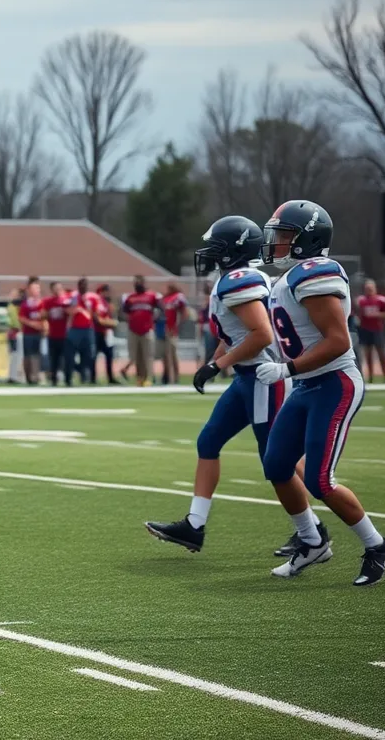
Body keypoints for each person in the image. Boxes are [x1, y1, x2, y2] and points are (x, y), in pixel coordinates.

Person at [146, 216, 306, 555]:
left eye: (216, 246)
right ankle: (195, 525)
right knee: (209, 440)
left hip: (264, 379)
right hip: (246, 379)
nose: (208, 252)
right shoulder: (235, 279)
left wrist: (219, 363)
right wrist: (214, 361)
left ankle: (311, 530)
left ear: (233, 250)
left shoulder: (238, 280)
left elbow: (261, 335)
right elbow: (235, 333)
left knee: (277, 460)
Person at [257, 200, 385, 586]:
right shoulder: (289, 278)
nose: (276, 242)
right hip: (307, 385)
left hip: (334, 383)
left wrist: (285, 368)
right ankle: (312, 540)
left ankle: (378, 546)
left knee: (320, 480)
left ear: (307, 239)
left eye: (284, 235)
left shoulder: (314, 275)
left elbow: (337, 341)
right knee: (276, 464)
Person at [122, 276, 161, 386]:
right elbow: (125, 312)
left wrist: (154, 320)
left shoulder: (152, 296)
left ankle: (149, 377)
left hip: (147, 330)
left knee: (148, 355)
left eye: (140, 283)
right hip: (133, 330)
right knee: (136, 356)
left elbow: (160, 309)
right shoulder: (130, 298)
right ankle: (140, 378)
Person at [64, 277, 100, 385]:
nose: (83, 287)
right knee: (70, 355)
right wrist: (74, 309)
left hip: (88, 329)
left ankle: (85, 377)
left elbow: (95, 313)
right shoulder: (73, 296)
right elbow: (66, 309)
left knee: (88, 354)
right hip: (74, 329)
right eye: (81, 285)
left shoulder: (92, 298)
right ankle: (68, 378)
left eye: (85, 285)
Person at [354, 279, 385, 382]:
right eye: (367, 289)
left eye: (370, 288)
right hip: (365, 329)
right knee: (368, 354)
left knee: (381, 353)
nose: (368, 290)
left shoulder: (381, 300)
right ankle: (370, 376)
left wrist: (376, 314)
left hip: (377, 329)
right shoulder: (361, 300)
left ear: (375, 289)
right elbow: (357, 312)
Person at [161, 281, 192, 384]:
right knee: (165, 355)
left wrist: (178, 324)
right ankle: (166, 377)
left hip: (172, 330)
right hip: (162, 329)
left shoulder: (178, 297)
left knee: (172, 355)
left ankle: (174, 378)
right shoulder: (164, 299)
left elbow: (185, 312)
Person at [18, 277, 46, 385]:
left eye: (37, 288)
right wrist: (32, 324)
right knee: (28, 355)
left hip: (38, 334)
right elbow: (21, 318)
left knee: (37, 355)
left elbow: (44, 316)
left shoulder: (41, 303)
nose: (36, 291)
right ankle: (29, 377)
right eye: (34, 288)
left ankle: (36, 376)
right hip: (28, 333)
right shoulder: (26, 304)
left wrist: (43, 326)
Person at [42, 281, 69, 385]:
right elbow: (43, 315)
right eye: (55, 288)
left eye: (59, 288)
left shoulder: (66, 301)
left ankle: (67, 378)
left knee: (66, 358)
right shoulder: (48, 302)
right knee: (54, 358)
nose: (58, 291)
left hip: (65, 334)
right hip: (53, 333)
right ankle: (53, 379)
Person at [93, 284, 118, 384]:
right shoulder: (98, 302)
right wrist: (111, 323)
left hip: (106, 333)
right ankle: (92, 377)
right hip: (97, 332)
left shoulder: (106, 303)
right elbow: (98, 319)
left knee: (109, 355)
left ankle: (110, 377)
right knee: (93, 356)